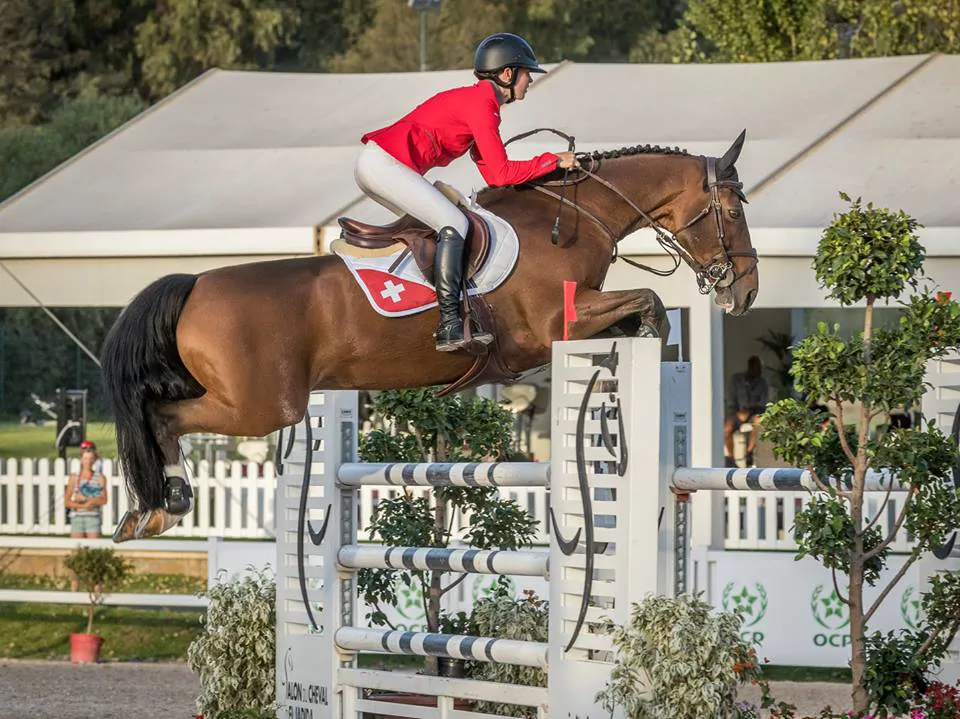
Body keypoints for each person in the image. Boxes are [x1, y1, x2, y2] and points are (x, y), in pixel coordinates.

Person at [355, 32, 579, 352]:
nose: (530, 80)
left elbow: (493, 174)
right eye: (526, 73)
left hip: (379, 164)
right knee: (454, 223)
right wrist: (552, 161)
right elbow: (502, 173)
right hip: (384, 165)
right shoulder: (481, 106)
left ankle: (427, 308)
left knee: (439, 226)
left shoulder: (479, 104)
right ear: (507, 74)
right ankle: (449, 323)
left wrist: (545, 168)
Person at [723, 356, 770, 467]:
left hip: (754, 413)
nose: (758, 370)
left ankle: (749, 453)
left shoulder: (762, 383)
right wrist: (737, 413)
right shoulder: (736, 380)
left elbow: (763, 404)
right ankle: (731, 459)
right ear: (750, 366)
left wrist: (749, 411)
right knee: (727, 429)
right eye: (755, 367)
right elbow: (731, 401)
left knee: (758, 422)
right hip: (737, 413)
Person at [65, 440, 107, 539]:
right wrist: (84, 505)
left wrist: (86, 500)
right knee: (76, 546)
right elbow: (67, 502)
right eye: (85, 458)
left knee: (94, 546)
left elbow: (104, 500)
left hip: (93, 517)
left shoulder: (100, 477)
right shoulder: (74, 477)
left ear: (94, 460)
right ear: (81, 459)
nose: (88, 461)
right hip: (77, 517)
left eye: (91, 458)